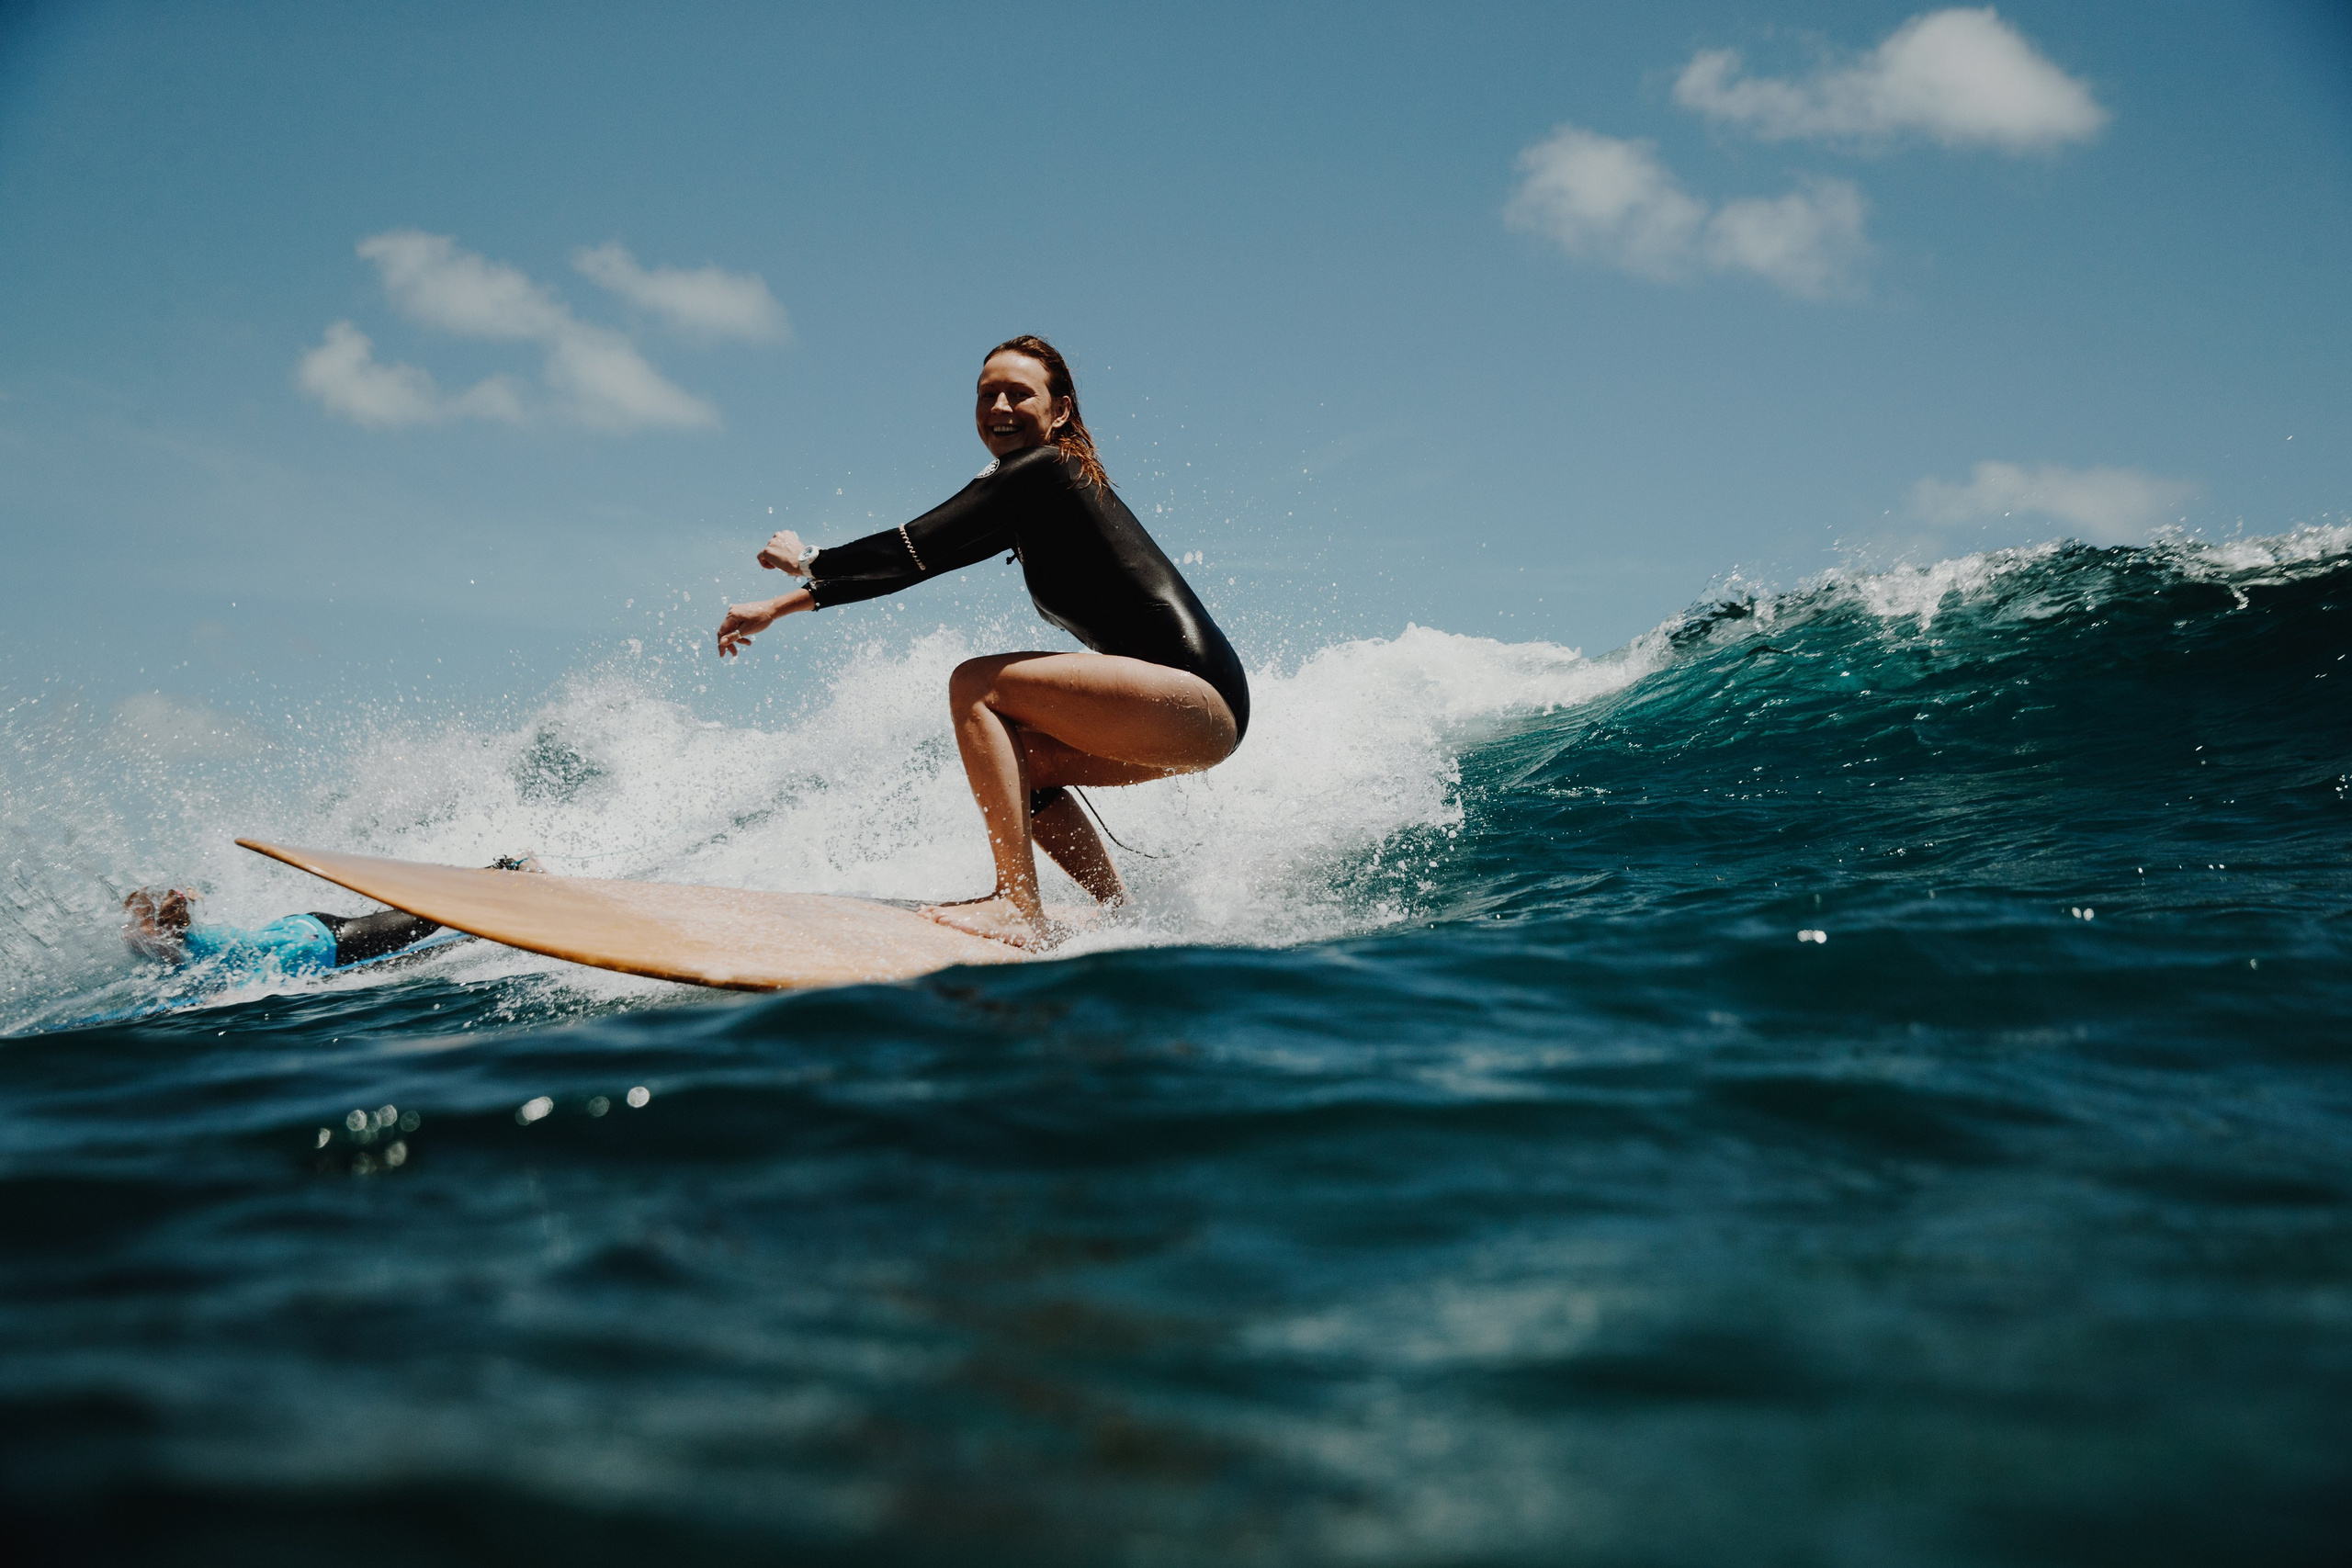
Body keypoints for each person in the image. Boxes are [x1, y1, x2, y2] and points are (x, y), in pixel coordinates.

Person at [714, 334, 1249, 948]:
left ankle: (1016, 904)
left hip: (1196, 696)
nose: (998, 406)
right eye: (986, 393)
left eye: (1019, 393)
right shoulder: (1034, 499)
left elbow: (910, 542)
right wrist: (777, 609)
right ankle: (1119, 912)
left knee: (975, 684)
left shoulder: (1046, 469)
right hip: (1198, 716)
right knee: (1029, 763)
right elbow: (914, 566)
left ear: (1061, 410)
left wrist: (808, 557)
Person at [122, 857, 541, 974]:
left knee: (427, 917)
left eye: (140, 923)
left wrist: (177, 897)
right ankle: (497, 888)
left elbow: (159, 928)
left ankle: (509, 870)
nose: (132, 934)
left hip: (324, 944)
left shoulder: (174, 944)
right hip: (304, 930)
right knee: (410, 924)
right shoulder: (165, 944)